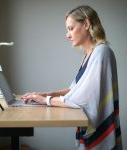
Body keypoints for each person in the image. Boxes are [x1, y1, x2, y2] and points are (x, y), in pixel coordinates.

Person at [21, 5, 122, 150]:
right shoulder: (89, 55)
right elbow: (74, 90)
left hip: (100, 134)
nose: (67, 35)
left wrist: (45, 100)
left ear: (86, 24)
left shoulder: (102, 52)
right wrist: (44, 94)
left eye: (71, 28)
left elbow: (83, 98)